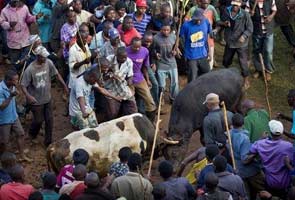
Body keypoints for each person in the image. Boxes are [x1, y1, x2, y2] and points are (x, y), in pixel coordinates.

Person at [21, 45, 68, 147]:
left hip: (47, 98)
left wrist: (64, 85)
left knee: (49, 120)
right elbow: (23, 85)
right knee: (38, 120)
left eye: (46, 57)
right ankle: (32, 134)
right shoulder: (30, 69)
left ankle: (48, 142)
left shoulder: (48, 63)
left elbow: (56, 74)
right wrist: (29, 97)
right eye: (43, 57)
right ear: (38, 56)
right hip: (36, 101)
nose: (45, 58)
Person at [245, 120, 294, 199]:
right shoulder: (289, 146)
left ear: (270, 132)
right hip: (285, 184)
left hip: (270, 182)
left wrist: (261, 139)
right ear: (281, 133)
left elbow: (250, 151)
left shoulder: (260, 144)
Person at [230, 113, 265, 199]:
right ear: (243, 124)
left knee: (245, 193)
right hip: (249, 171)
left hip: (238, 170)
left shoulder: (229, 133)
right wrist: (256, 151)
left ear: (232, 124)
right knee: (264, 189)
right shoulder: (244, 138)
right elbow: (245, 159)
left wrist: (260, 140)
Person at [221, 0, 253, 89]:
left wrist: (244, 36)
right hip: (230, 42)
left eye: (237, 5)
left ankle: (246, 79)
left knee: (243, 63)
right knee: (226, 60)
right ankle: (225, 76)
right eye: (234, 5)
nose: (235, 7)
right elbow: (221, 21)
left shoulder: (245, 14)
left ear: (240, 6)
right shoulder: (226, 11)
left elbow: (250, 28)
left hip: (241, 44)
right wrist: (224, 23)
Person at [0, 70, 31, 161]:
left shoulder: (12, 86)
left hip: (14, 116)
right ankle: (6, 161)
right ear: (8, 80)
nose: (17, 82)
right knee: (4, 142)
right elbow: (1, 107)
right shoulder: (0, 90)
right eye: (15, 80)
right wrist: (10, 96)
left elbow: (16, 100)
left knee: (21, 134)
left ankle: (22, 155)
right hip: (4, 119)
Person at [126, 37, 157, 121]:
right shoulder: (125, 51)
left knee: (149, 100)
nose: (137, 49)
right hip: (127, 79)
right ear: (130, 45)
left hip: (139, 77)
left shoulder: (145, 51)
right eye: (135, 47)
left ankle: (151, 121)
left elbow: (144, 67)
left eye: (138, 47)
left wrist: (147, 80)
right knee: (130, 102)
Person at [245, 0, 277, 81]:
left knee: (268, 51)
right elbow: (246, 15)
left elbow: (274, 10)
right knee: (257, 50)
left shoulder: (270, 0)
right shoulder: (250, 2)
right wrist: (250, 15)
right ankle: (258, 69)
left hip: (268, 30)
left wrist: (271, 16)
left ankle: (268, 70)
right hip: (257, 30)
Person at [100, 54, 137, 120]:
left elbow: (130, 76)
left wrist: (131, 86)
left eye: (125, 58)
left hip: (123, 88)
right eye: (121, 58)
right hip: (111, 89)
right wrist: (110, 76)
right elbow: (101, 78)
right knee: (112, 114)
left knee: (132, 110)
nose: (123, 59)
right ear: (117, 56)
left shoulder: (129, 61)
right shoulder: (109, 59)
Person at [180, 8, 211, 82]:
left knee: (207, 73)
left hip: (203, 54)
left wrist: (208, 51)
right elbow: (181, 39)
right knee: (192, 78)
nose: (198, 21)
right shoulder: (186, 25)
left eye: (200, 20)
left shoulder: (206, 22)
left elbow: (207, 36)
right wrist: (185, 53)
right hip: (191, 56)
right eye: (196, 19)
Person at [152, 21, 179, 102]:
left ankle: (174, 98)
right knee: (161, 85)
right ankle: (161, 99)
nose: (166, 32)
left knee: (175, 83)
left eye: (167, 30)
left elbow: (176, 47)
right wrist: (155, 54)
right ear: (161, 29)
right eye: (164, 30)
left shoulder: (174, 36)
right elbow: (152, 49)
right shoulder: (156, 38)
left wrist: (175, 52)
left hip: (172, 64)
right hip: (161, 64)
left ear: (170, 30)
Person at [68, 23, 92, 89]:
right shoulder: (73, 50)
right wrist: (83, 62)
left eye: (87, 31)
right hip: (77, 81)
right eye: (84, 32)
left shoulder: (85, 44)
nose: (86, 34)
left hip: (86, 78)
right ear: (78, 37)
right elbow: (72, 67)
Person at [142, 31, 159, 106]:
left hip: (148, 66)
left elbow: (152, 54)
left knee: (155, 85)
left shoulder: (153, 44)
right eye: (146, 41)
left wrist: (153, 63)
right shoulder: (139, 45)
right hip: (140, 67)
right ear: (142, 39)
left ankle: (155, 104)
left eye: (150, 42)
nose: (148, 44)